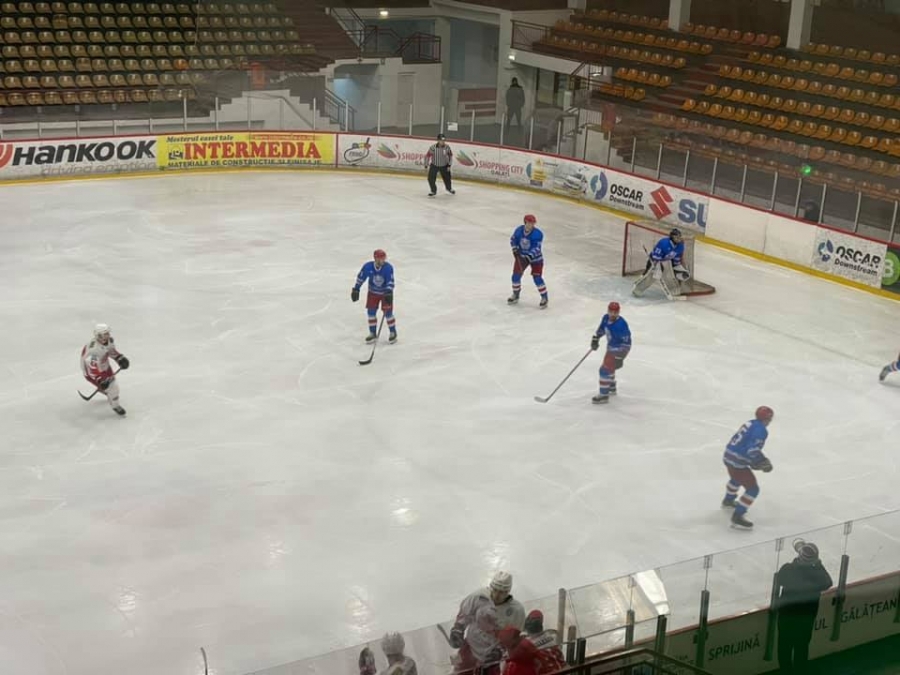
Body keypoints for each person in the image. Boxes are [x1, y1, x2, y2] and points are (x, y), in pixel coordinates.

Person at [775, 539, 833, 674]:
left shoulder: (789, 568)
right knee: (802, 647)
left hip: (787, 616)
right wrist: (817, 564)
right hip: (806, 617)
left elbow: (780, 578)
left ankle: (786, 672)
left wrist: (797, 561)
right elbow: (828, 582)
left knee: (784, 647)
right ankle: (800, 671)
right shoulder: (817, 575)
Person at [722, 406, 775, 529]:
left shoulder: (750, 422)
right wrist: (762, 461)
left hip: (728, 455)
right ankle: (737, 516)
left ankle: (728, 500)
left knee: (736, 478)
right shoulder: (761, 430)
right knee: (753, 489)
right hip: (737, 462)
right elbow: (752, 451)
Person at [450, 571, 526, 649]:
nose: (496, 595)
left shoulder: (517, 610)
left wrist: (503, 650)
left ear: (508, 591)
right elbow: (464, 615)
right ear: (491, 587)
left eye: (501, 592)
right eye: (495, 590)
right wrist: (457, 630)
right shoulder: (478, 597)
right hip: (472, 645)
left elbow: (515, 636)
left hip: (496, 650)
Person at [80, 323, 129, 416]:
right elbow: (92, 369)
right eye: (105, 334)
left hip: (104, 365)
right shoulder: (94, 350)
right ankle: (115, 406)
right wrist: (100, 380)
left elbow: (111, 351)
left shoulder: (109, 341)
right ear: (98, 335)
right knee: (113, 389)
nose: (108, 335)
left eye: (108, 333)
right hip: (92, 373)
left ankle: (108, 392)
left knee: (110, 387)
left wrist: (119, 358)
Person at [590, 302, 632, 405]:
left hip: (620, 349)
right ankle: (611, 387)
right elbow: (601, 330)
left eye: (615, 312)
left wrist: (619, 357)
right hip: (611, 347)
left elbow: (626, 343)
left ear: (618, 312)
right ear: (608, 311)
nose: (613, 314)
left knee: (604, 370)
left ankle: (604, 395)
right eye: (611, 312)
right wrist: (596, 338)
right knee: (609, 368)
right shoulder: (605, 318)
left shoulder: (621, 325)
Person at [352, 249, 397, 344]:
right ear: (375, 258)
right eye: (380, 259)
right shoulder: (367, 267)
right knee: (371, 313)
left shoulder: (388, 268)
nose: (382, 261)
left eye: (383, 259)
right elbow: (361, 278)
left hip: (385, 294)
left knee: (388, 313)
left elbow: (391, 281)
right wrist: (356, 289)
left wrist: (389, 291)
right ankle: (372, 333)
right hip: (373, 293)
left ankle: (393, 332)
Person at [632, 228, 690, 298]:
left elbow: (676, 259)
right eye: (676, 237)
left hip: (667, 262)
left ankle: (674, 291)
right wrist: (657, 268)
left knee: (684, 274)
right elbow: (655, 256)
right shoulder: (663, 243)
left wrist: (676, 268)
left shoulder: (680, 245)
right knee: (653, 275)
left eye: (679, 236)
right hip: (655, 261)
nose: (679, 238)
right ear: (672, 238)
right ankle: (638, 289)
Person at [508, 215, 548, 309]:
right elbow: (513, 240)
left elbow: (537, 248)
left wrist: (529, 256)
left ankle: (544, 298)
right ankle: (516, 295)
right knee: (515, 276)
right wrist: (515, 249)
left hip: (536, 259)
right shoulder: (519, 230)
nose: (532, 225)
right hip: (522, 257)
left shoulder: (538, 234)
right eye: (530, 223)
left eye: (533, 223)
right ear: (525, 222)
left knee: (537, 278)